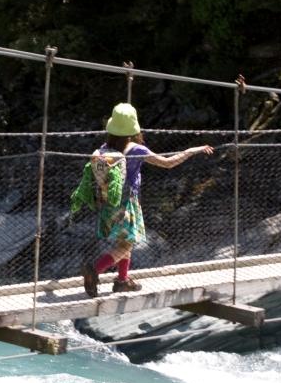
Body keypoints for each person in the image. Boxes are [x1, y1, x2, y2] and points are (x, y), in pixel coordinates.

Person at [78, 102, 214, 297]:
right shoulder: (136, 150)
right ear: (133, 128)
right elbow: (168, 163)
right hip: (127, 205)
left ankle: (122, 281)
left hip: (109, 203)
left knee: (125, 241)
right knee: (126, 245)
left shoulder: (105, 149)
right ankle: (95, 270)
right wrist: (193, 150)